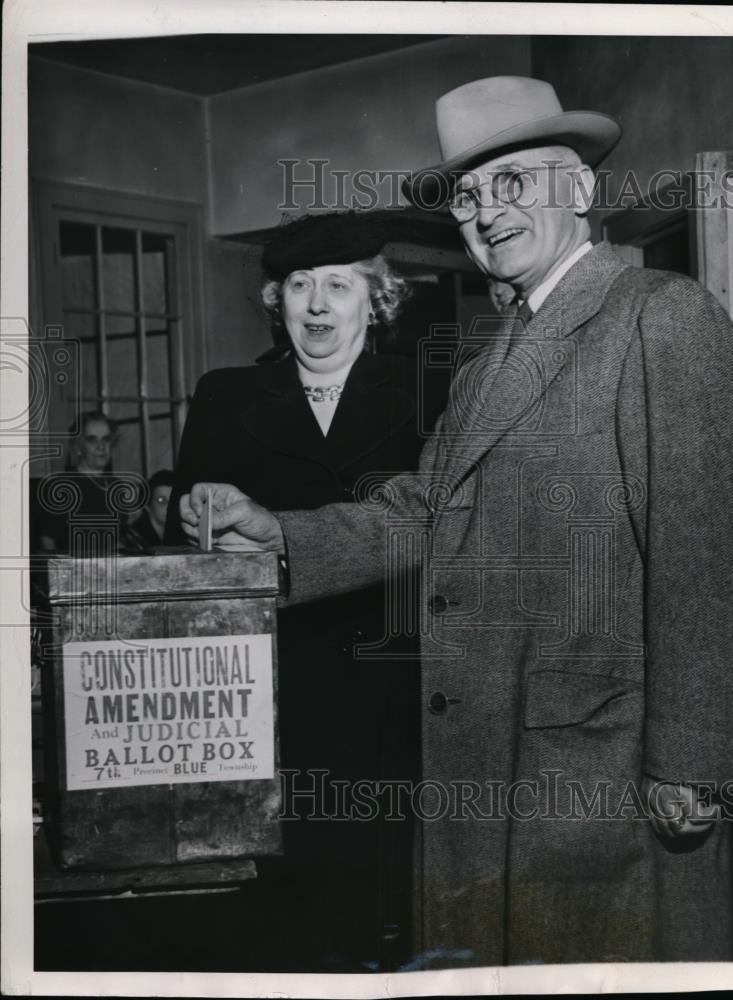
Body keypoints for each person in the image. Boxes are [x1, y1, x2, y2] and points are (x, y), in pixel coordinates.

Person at [178, 78, 733, 966]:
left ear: (581, 192)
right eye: (467, 197)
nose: (485, 212)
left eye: (512, 183)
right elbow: (424, 510)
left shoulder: (660, 320)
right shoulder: (490, 360)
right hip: (495, 753)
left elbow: (710, 555)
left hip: (602, 770)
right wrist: (283, 535)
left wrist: (695, 758)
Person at [166, 212, 424, 971]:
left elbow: (435, 530)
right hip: (267, 690)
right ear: (275, 301)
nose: (316, 305)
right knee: (277, 898)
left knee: (386, 893)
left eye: (339, 286)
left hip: (393, 682)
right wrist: (194, 513)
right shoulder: (225, 393)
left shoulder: (429, 391)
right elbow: (195, 543)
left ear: (376, 300)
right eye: (299, 286)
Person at [35, 410, 132, 554]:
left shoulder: (116, 486)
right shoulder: (62, 485)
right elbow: (47, 540)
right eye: (92, 440)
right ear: (79, 447)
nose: (101, 447)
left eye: (105, 439)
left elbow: (117, 540)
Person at [123, 469, 175, 551]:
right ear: (147, 506)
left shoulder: (181, 533)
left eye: (173, 500)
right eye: (161, 500)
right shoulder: (134, 539)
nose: (169, 507)